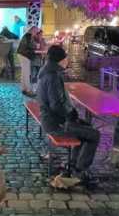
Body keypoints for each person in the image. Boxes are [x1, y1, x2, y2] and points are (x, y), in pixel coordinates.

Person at [36, 45, 100, 180]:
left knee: (86, 129)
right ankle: (79, 171)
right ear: (60, 60)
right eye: (66, 58)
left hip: (50, 120)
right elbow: (56, 105)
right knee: (94, 135)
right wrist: (70, 115)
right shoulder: (53, 76)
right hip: (56, 124)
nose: (67, 61)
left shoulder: (46, 71)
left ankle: (73, 165)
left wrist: (71, 114)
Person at [17, 26, 39, 97]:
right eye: (35, 31)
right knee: (26, 73)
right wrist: (36, 46)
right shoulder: (28, 36)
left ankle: (23, 88)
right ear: (32, 30)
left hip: (22, 54)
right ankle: (28, 90)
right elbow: (30, 45)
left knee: (24, 73)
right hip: (24, 55)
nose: (36, 33)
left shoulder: (27, 35)